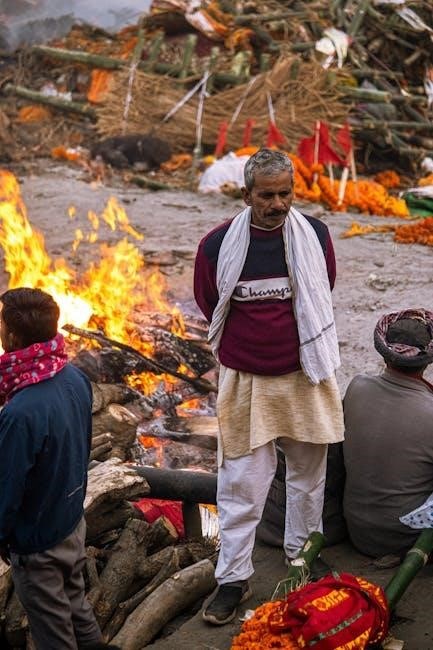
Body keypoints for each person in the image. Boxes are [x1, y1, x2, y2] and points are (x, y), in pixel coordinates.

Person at [194, 148, 344, 625]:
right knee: (241, 484)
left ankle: (302, 557)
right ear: (246, 195)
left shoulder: (315, 236)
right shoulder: (217, 246)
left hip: (305, 374)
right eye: (267, 196)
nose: (278, 204)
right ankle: (233, 579)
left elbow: (322, 291)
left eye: (285, 194)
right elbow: (210, 302)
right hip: (247, 382)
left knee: (308, 477)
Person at [0, 288, 119, 650]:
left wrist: (4, 538)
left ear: (13, 336)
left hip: (38, 543)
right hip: (70, 520)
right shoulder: (74, 378)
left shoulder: (20, 413)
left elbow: (7, 488)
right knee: (76, 605)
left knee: (54, 634)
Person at [343, 308, 433, 559]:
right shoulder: (429, 411)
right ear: (427, 362)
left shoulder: (357, 387)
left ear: (385, 355)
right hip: (406, 539)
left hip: (357, 531)